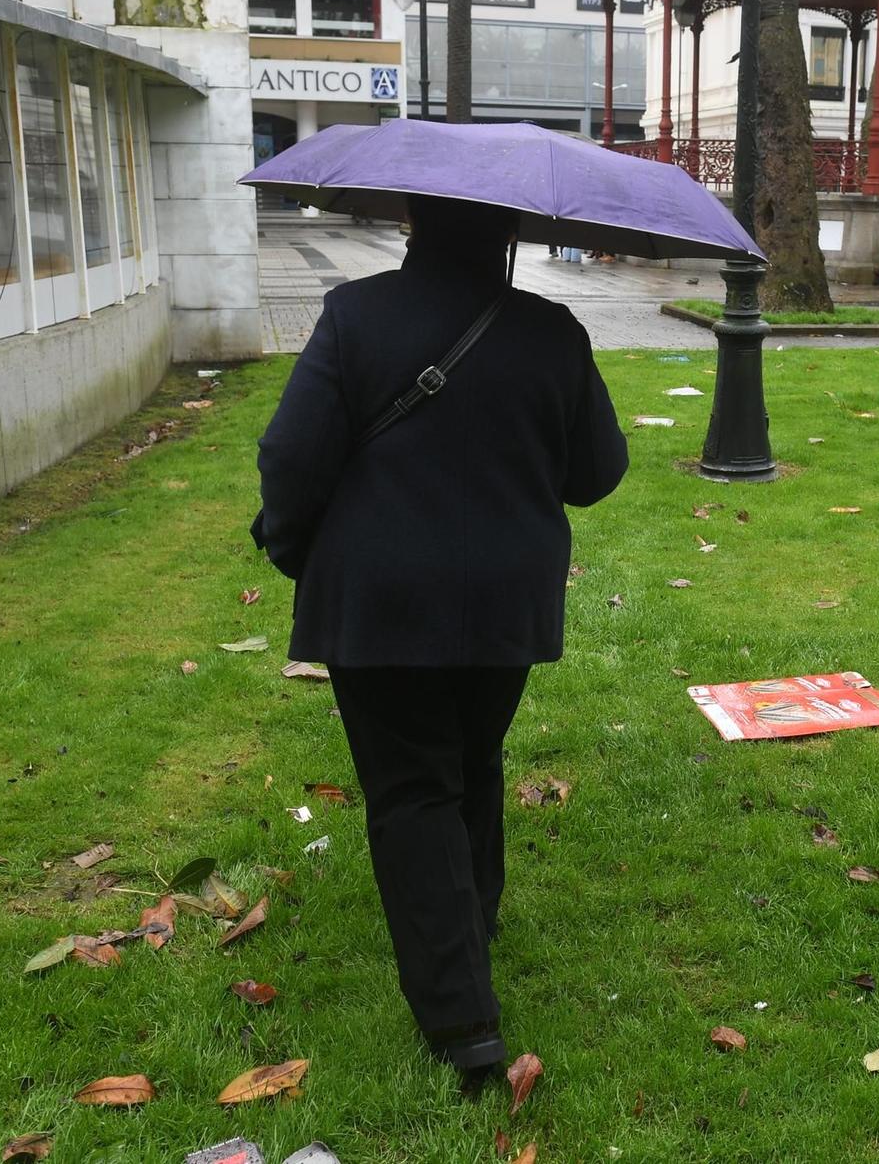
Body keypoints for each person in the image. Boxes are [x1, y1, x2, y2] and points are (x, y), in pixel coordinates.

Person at [254, 195, 629, 1078]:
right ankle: (472, 922)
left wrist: (284, 538)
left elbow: (290, 455)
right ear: (508, 234)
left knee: (415, 788)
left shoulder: (355, 315)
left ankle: (464, 1025)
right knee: (470, 761)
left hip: (378, 602)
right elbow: (597, 472)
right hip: (506, 604)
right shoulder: (553, 330)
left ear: (412, 224)